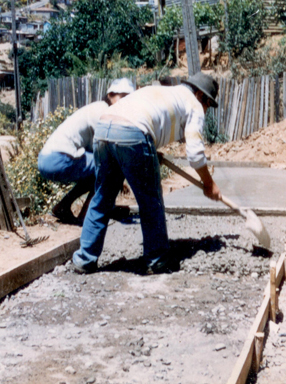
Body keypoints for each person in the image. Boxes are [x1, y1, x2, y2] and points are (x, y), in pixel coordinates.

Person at [71, 72, 222, 275]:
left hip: (104, 129)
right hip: (133, 132)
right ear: (200, 96)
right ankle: (156, 259)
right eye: (208, 104)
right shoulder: (194, 105)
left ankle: (84, 259)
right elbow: (195, 154)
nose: (206, 110)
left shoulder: (165, 93)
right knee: (150, 199)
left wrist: (148, 149)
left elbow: (147, 119)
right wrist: (209, 183)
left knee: (102, 196)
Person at [38, 78, 136, 224]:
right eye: (122, 98)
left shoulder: (98, 108)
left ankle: (63, 206)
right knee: (111, 167)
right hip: (58, 159)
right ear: (110, 95)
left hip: (47, 159)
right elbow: (112, 151)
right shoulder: (103, 112)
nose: (124, 103)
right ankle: (87, 217)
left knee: (98, 169)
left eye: (129, 99)